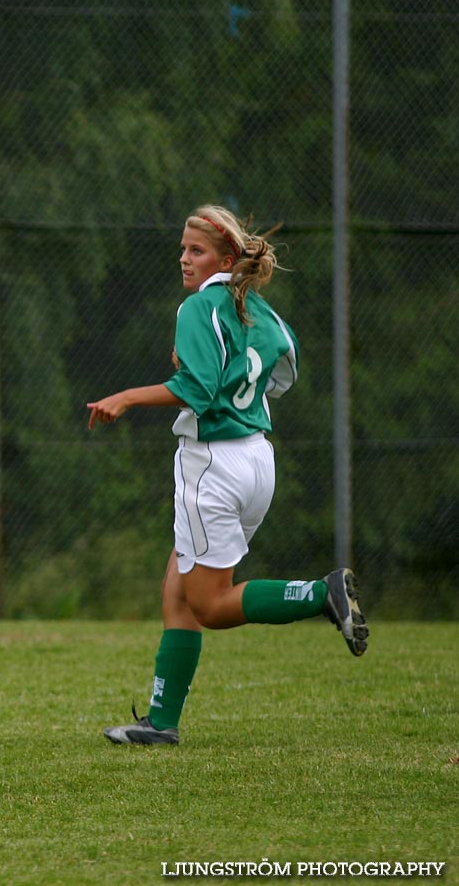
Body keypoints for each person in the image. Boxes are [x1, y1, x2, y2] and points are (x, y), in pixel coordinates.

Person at [85, 204, 368, 746]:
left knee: (211, 606)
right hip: (257, 457)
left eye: (196, 250)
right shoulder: (260, 311)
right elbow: (285, 368)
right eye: (183, 249)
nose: (185, 259)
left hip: (211, 463)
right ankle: (161, 722)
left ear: (226, 258)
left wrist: (124, 397)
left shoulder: (197, 308)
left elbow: (194, 390)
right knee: (178, 590)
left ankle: (318, 594)